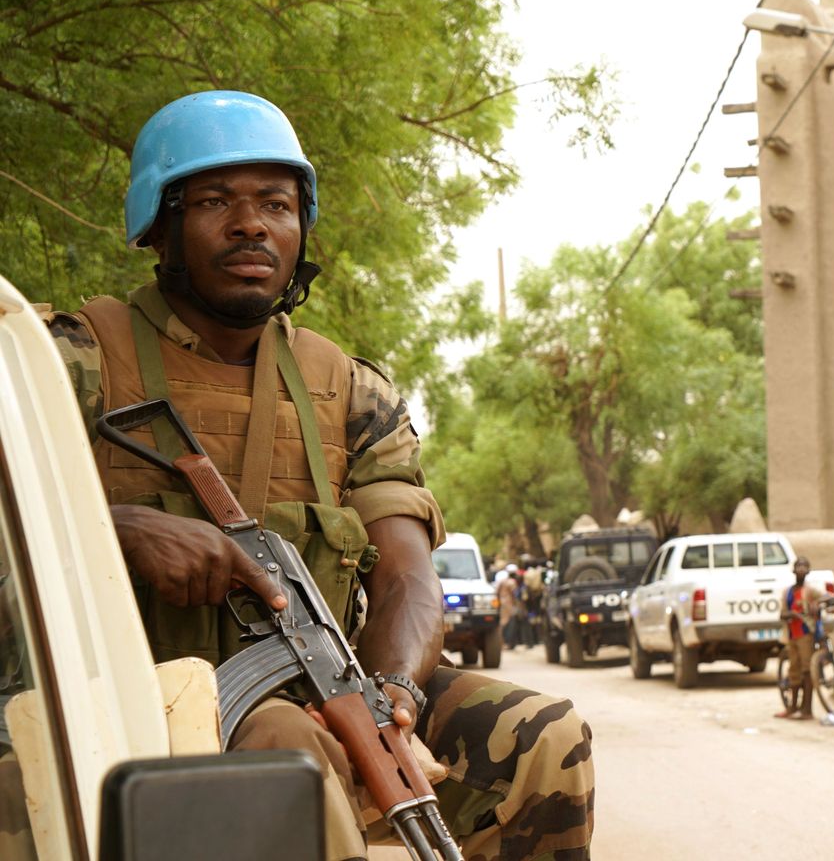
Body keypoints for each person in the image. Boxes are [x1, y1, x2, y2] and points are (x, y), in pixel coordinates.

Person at [48, 91, 593, 860]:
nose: (251, 224)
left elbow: (407, 578)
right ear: (159, 226)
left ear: (300, 226)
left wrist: (391, 694)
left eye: (276, 203)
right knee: (288, 748)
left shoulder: (349, 390)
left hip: (324, 680)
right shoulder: (73, 359)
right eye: (215, 201)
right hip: (123, 696)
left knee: (546, 736)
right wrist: (118, 531)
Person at [775, 556, 821, 720]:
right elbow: (782, 613)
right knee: (793, 671)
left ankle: (807, 709)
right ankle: (792, 707)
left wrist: (818, 604)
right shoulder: (787, 592)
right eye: (798, 566)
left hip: (805, 635)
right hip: (792, 636)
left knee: (807, 671)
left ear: (808, 571)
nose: (801, 569)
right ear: (793, 570)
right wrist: (793, 614)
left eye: (804, 566)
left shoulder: (811, 591)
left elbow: (825, 597)